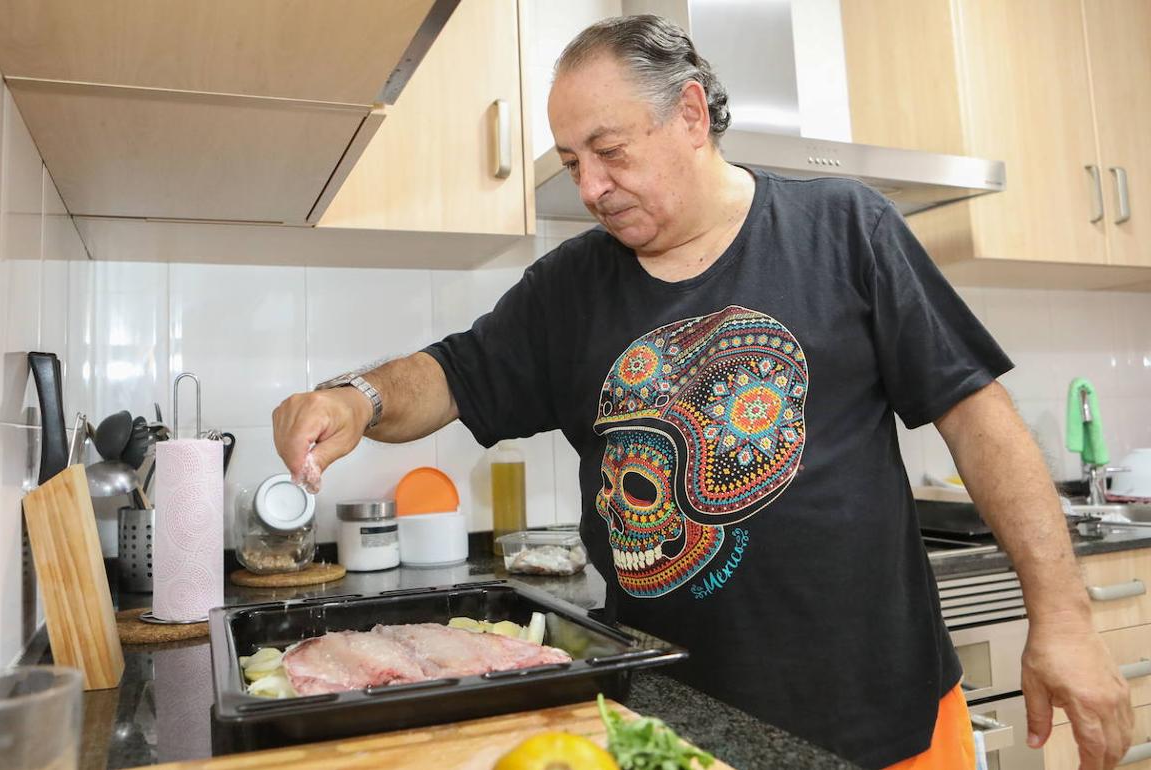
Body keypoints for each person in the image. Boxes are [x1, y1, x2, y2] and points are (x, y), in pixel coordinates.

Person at [273, 14, 1132, 769]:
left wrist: (1060, 619)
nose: (591, 187)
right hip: (670, 724)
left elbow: (977, 418)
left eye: (610, 152)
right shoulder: (570, 287)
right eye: (573, 161)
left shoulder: (847, 228)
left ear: (690, 115)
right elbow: (450, 375)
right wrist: (358, 397)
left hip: (883, 718)